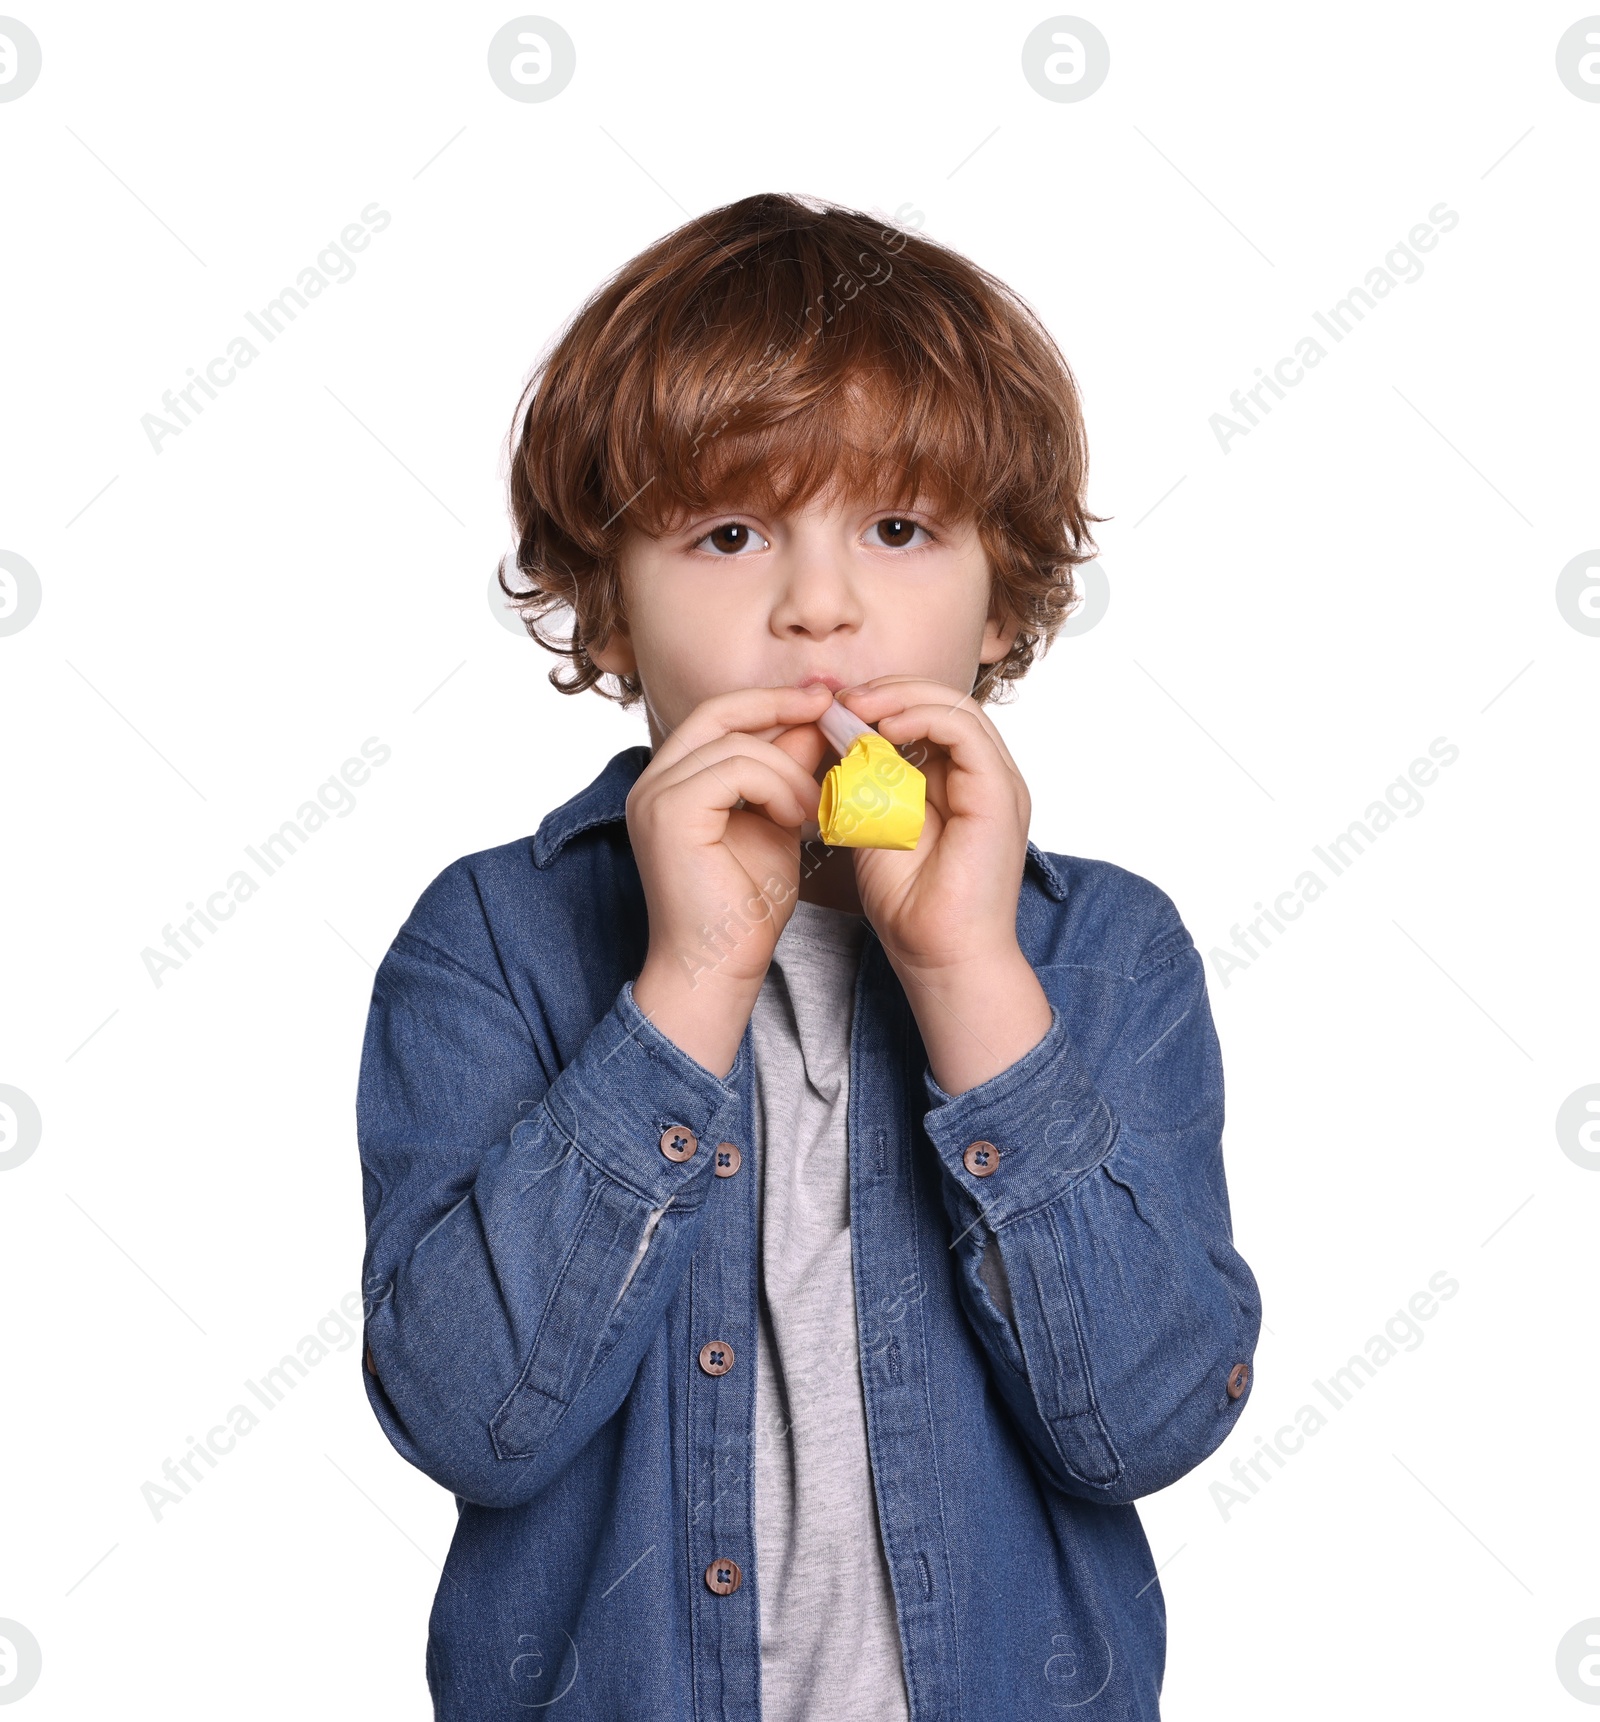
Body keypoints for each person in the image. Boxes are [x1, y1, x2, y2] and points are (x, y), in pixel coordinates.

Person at [355, 191, 1261, 1721]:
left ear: (1004, 595)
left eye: (899, 529)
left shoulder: (1106, 953)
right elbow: (468, 1415)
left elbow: (1144, 1421)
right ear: (610, 611)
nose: (821, 604)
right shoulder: (490, 943)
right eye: (727, 531)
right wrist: (690, 974)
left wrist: (970, 969)